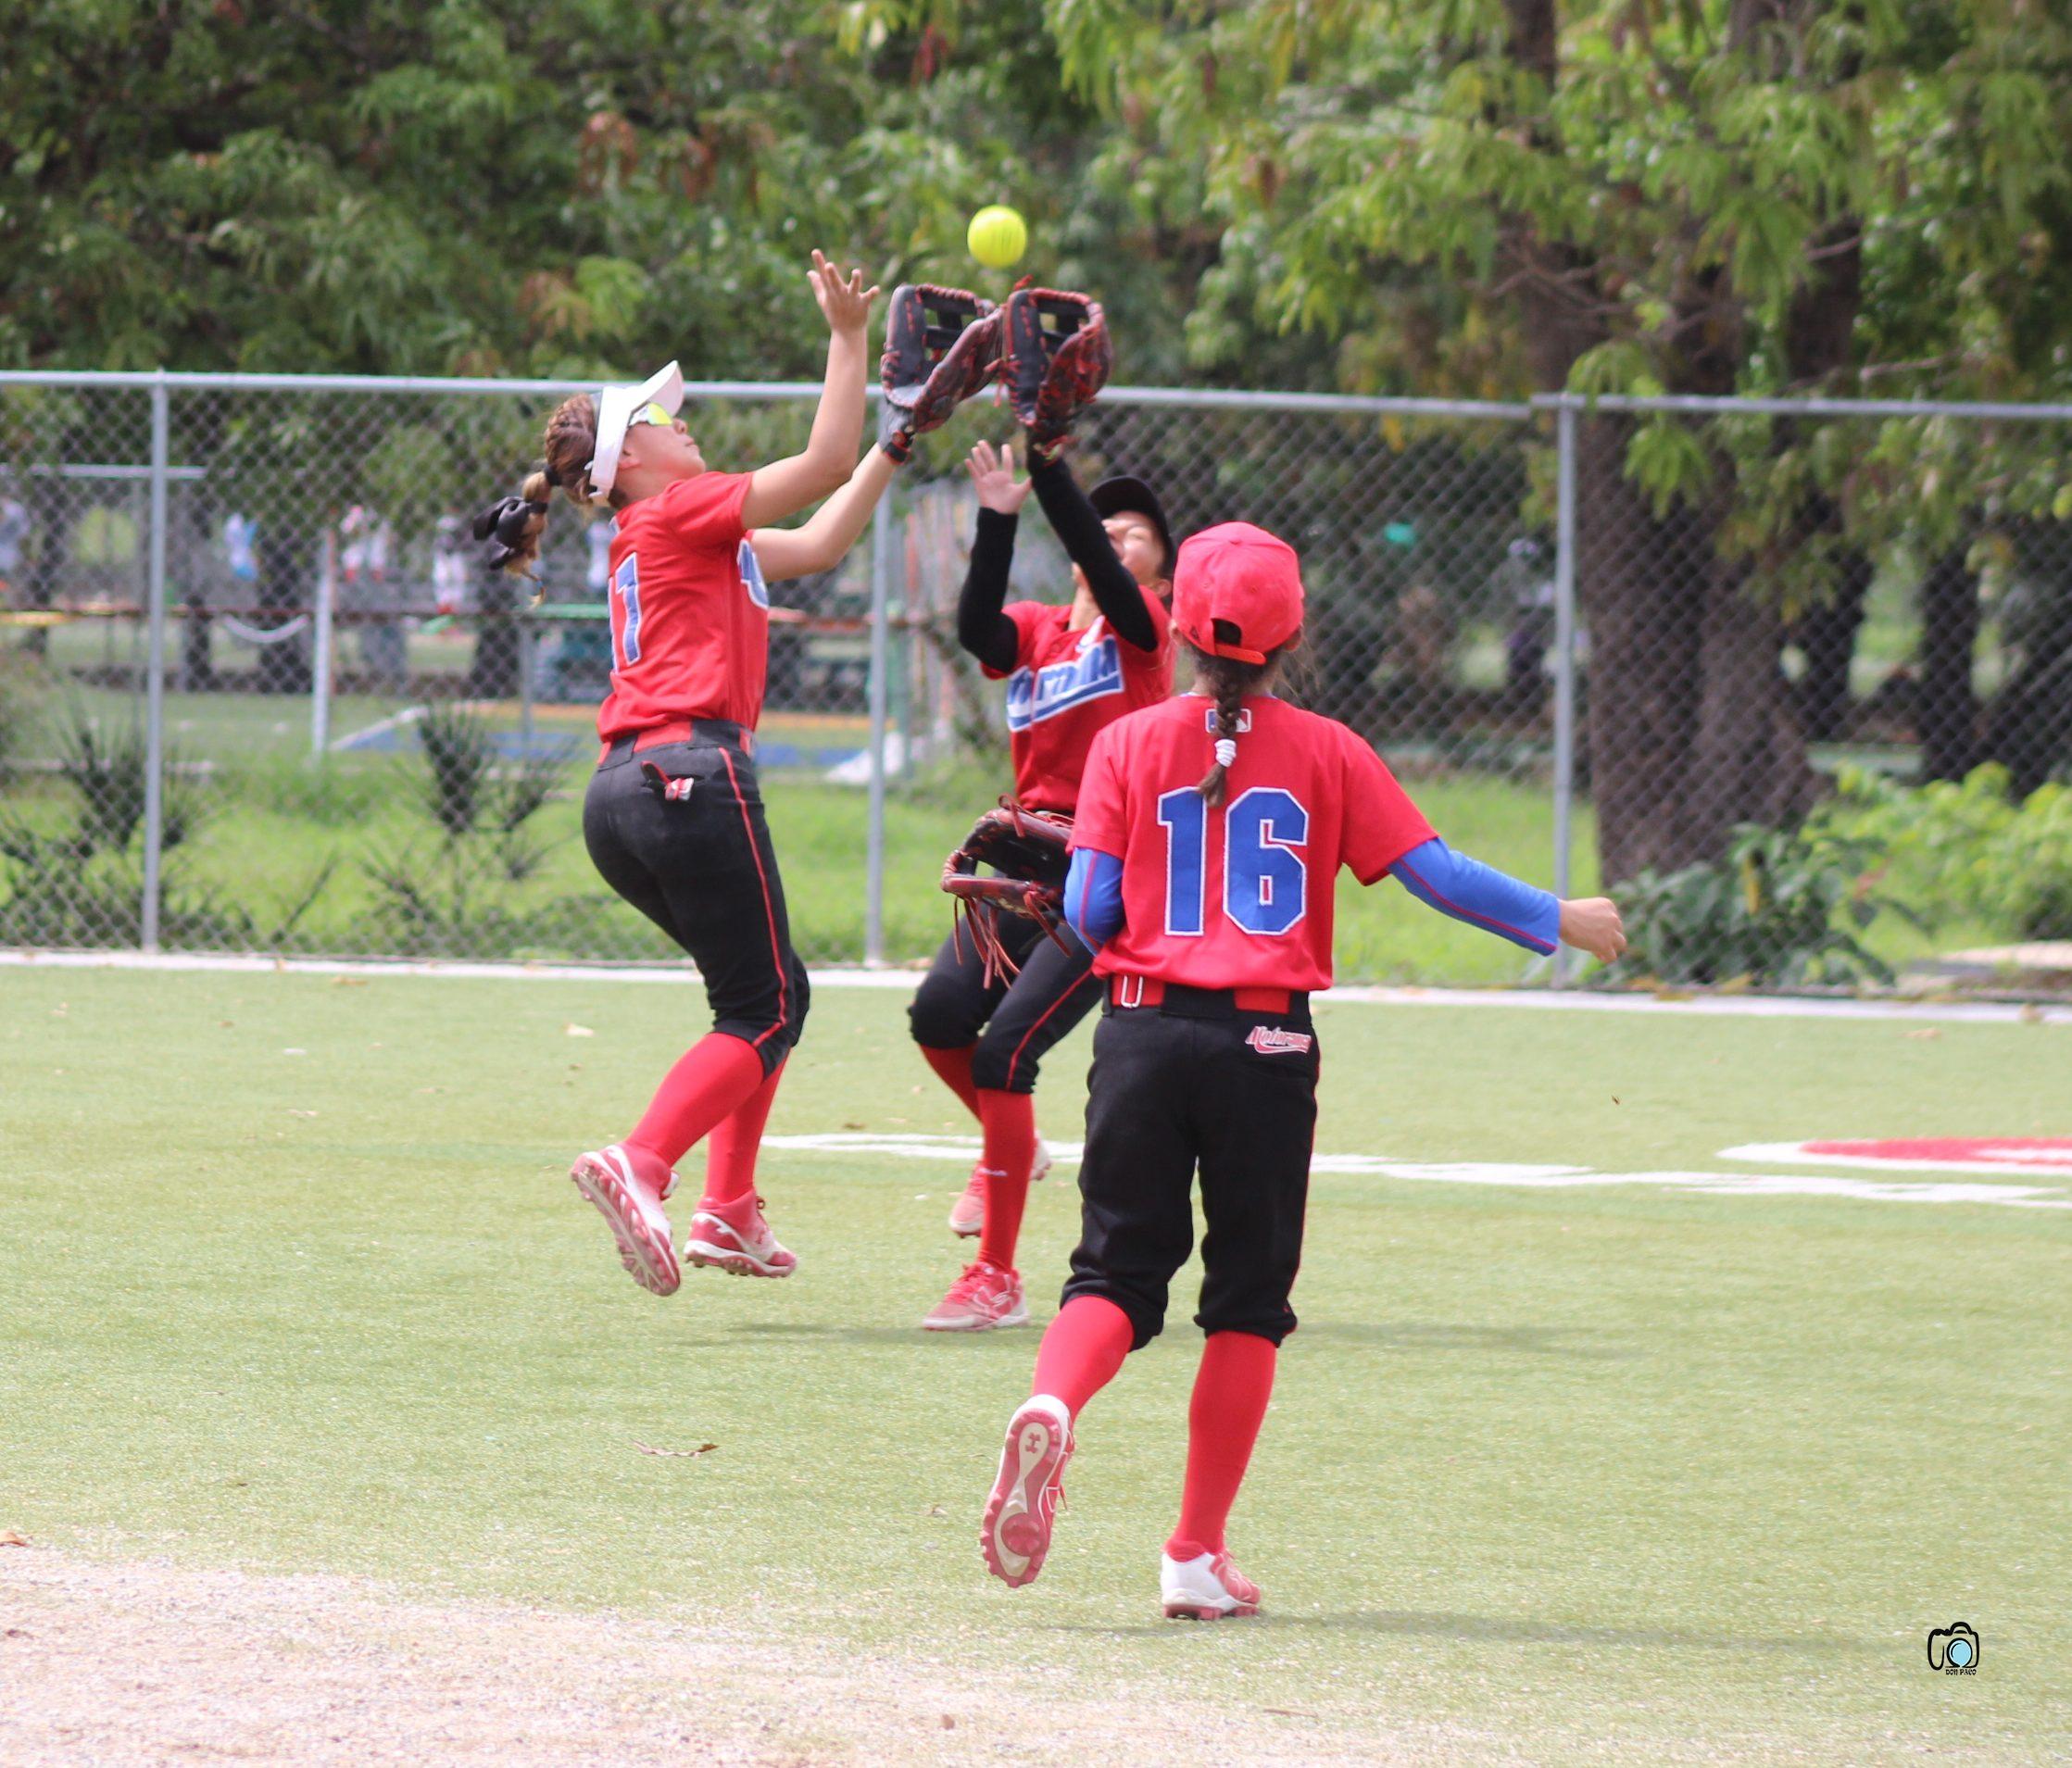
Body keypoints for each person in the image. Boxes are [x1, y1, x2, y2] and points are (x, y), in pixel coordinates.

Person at [977, 521, 1626, 1617]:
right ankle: (1191, 1553)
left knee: (1113, 1275)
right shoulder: (1327, 748)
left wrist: (1072, 896)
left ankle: (1052, 1402)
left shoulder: (1126, 745)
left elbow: (1090, 915)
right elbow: (1434, 873)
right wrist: (1555, 916)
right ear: (1293, 637)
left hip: (1138, 1034)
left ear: (1175, 624)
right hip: (1264, 1045)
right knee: (1243, 1302)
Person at [481, 254, 989, 1298]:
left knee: (769, 993)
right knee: (759, 1009)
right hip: (688, 776)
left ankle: (730, 1206)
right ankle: (644, 1161)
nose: (684, 421)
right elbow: (818, 458)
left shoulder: (675, 533)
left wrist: (898, 440)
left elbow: (818, 532)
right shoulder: (678, 514)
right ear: (629, 460)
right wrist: (848, 341)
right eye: (662, 420)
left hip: (624, 796)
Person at [907, 437, 1177, 1332]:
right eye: (1109, 530)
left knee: (1003, 1057)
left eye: (1139, 535)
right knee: (940, 1017)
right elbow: (977, 625)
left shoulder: (1146, 637)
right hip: (1028, 868)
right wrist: (995, 514)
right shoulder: (1037, 630)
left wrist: (1051, 462)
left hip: (1106, 873)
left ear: (1161, 572)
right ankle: (1011, 1154)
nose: (1119, 540)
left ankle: (997, 1277)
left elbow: (1103, 563)